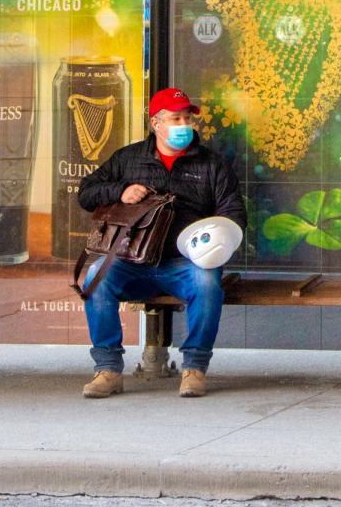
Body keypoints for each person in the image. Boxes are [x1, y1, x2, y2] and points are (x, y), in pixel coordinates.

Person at [76, 87, 246, 399]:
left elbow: (233, 211)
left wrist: (218, 238)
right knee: (96, 277)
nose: (184, 125)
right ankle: (108, 369)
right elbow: (86, 193)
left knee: (207, 283)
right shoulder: (128, 159)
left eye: (187, 118)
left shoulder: (212, 164)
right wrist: (120, 191)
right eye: (175, 119)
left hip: (186, 262)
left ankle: (194, 368)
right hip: (132, 261)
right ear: (156, 123)